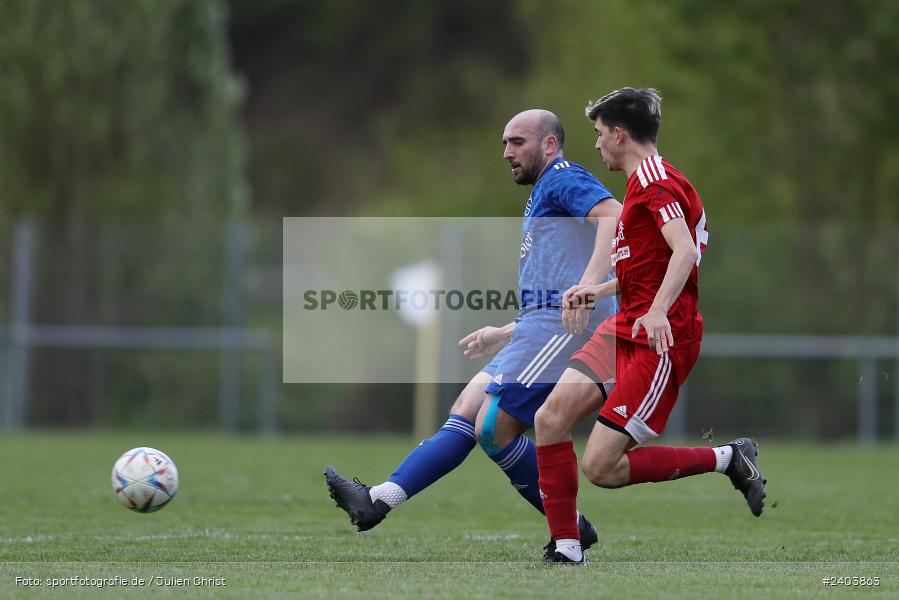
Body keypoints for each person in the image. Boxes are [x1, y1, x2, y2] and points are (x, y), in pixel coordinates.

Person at [324, 109, 623, 560]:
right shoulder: (546, 189)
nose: (507, 152)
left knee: (494, 428)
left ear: (548, 144)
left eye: (518, 142)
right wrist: (505, 331)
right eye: (504, 143)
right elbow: (552, 278)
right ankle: (377, 501)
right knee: (466, 411)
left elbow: (614, 216)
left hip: (568, 329)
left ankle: (571, 531)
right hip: (537, 327)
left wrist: (587, 289)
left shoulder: (563, 175)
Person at [533, 88, 767, 565]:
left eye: (599, 134)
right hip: (626, 325)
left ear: (620, 134)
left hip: (662, 337)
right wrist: (594, 291)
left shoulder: (656, 181)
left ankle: (727, 457)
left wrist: (658, 310)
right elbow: (649, 267)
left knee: (601, 467)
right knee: (549, 418)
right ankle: (567, 547)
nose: (596, 145)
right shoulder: (641, 185)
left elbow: (683, 252)